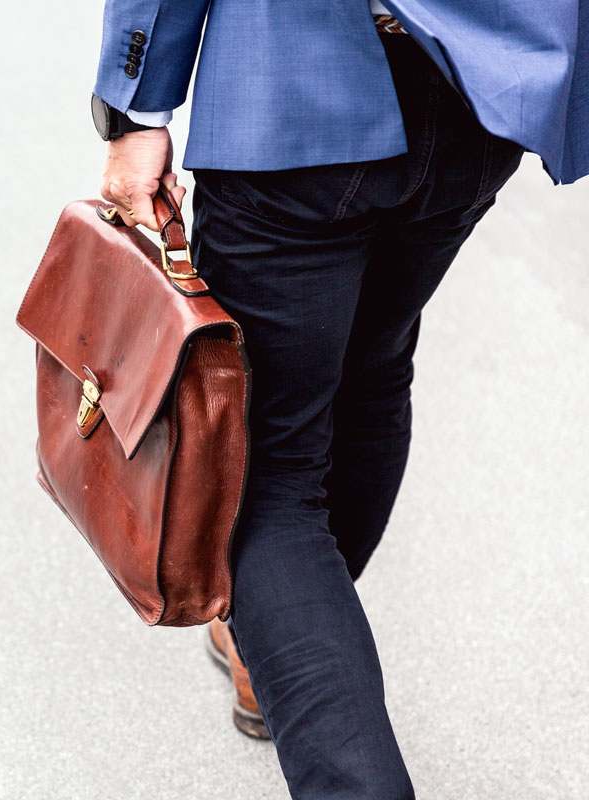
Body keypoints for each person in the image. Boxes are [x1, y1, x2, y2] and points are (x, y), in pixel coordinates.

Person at [91, 1, 587, 798]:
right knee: (374, 366)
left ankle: (304, 680)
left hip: (295, 85)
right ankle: (277, 641)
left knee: (266, 472)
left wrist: (136, 106)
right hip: (483, 93)